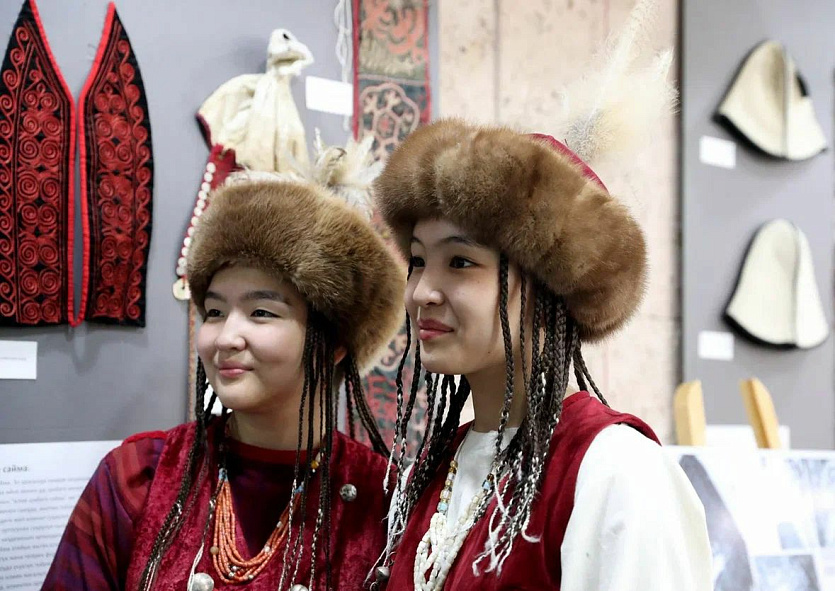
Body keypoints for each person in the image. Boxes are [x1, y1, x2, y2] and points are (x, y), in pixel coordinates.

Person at [367, 3, 712, 588]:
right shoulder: (433, 472)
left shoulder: (614, 471)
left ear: (551, 283)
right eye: (418, 261)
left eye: (460, 262)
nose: (422, 291)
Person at [42, 164, 404, 591]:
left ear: (334, 344)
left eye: (261, 312)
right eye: (214, 312)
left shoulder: (384, 503)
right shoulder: (138, 477)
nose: (226, 337)